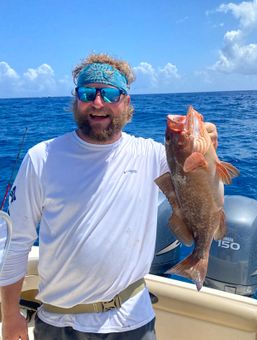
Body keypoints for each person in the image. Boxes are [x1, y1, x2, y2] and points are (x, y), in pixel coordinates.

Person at [0, 53, 218, 340]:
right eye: (88, 93)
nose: (98, 103)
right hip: (57, 323)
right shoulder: (41, 158)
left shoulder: (151, 155)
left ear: (126, 102)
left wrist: (207, 149)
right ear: (76, 99)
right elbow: (14, 243)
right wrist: (10, 316)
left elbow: (202, 189)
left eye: (111, 94)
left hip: (132, 321)